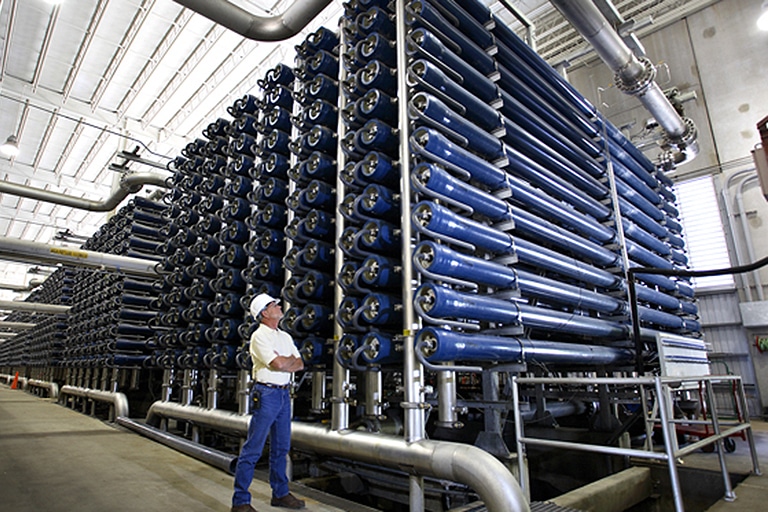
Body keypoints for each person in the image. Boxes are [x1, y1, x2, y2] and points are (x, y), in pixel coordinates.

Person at [231, 293, 306, 512]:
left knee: (281, 447)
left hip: (283, 394)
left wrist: (285, 362)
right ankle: (240, 501)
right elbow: (278, 364)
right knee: (253, 449)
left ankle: (280, 493)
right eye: (274, 305)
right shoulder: (258, 337)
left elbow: (299, 364)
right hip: (266, 394)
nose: (279, 306)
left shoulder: (285, 336)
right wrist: (286, 362)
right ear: (265, 312)